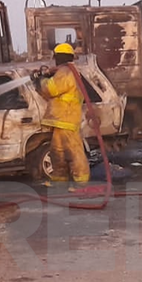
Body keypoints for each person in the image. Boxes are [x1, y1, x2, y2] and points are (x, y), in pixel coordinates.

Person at [36, 42, 89, 191]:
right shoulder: (65, 71)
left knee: (74, 152)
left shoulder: (66, 72)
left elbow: (51, 89)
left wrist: (40, 81)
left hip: (67, 119)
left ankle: (81, 184)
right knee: (57, 152)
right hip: (61, 120)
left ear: (59, 57)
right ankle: (60, 182)